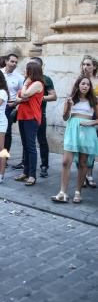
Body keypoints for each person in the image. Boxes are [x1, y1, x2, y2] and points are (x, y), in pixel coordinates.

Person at [52, 76, 98, 204]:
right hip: (72, 131)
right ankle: (62, 192)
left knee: (83, 163)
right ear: (78, 85)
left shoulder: (93, 101)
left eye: (88, 85)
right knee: (66, 162)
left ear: (90, 88)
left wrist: (91, 123)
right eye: (83, 84)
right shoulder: (70, 100)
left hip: (87, 132)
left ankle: (78, 192)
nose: (85, 86)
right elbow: (66, 117)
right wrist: (69, 106)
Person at [14, 62, 44, 186]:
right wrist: (22, 98)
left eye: (26, 69)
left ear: (31, 71)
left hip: (31, 117)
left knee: (31, 146)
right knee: (25, 145)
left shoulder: (37, 84)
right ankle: (25, 172)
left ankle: (32, 175)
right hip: (22, 115)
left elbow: (24, 94)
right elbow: (18, 97)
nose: (24, 71)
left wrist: (25, 85)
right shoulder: (30, 84)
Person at [30, 57, 57, 178]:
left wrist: (39, 97)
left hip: (40, 113)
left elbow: (53, 96)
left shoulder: (46, 79)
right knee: (27, 140)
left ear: (40, 66)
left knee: (41, 140)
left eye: (33, 65)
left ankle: (44, 165)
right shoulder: (27, 79)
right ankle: (26, 164)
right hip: (27, 114)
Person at [80, 55, 98, 187]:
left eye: (88, 64)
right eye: (84, 64)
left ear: (95, 67)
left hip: (95, 116)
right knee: (83, 146)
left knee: (91, 146)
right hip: (83, 115)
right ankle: (83, 173)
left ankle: (89, 174)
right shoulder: (79, 80)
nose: (85, 67)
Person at [3, 53, 24, 154]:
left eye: (16, 62)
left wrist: (15, 104)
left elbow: (22, 94)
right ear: (6, 61)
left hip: (9, 106)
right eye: (12, 61)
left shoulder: (19, 77)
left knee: (7, 132)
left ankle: (5, 156)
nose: (14, 64)